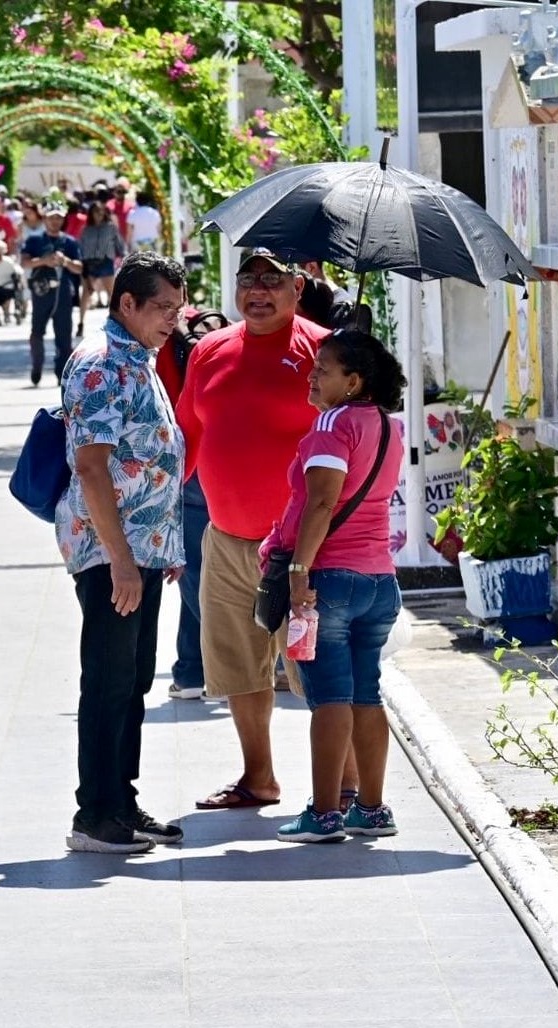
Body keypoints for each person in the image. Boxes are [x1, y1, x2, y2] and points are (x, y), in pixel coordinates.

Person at [177, 248, 358, 811]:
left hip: (303, 547)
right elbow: (187, 436)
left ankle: (349, 788)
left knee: (320, 669)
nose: (258, 289)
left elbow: (353, 438)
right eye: (249, 278)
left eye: (272, 279)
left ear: (297, 288)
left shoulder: (323, 353)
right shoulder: (209, 349)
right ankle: (258, 778)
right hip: (226, 538)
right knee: (238, 664)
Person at [58, 252, 188, 854]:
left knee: (132, 680)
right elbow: (91, 467)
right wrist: (121, 560)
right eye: (162, 307)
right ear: (126, 304)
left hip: (145, 549)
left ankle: (122, 800)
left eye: (177, 308)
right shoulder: (100, 362)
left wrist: (164, 547)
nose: (173, 319)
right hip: (114, 554)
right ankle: (95, 812)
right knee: (108, 680)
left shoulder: (139, 359)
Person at [271, 330, 405, 842]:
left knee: (329, 697)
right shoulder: (387, 426)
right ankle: (371, 809)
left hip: (330, 578)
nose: (312, 374)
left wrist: (299, 571)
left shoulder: (333, 422)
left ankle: (325, 813)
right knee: (366, 694)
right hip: (379, 579)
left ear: (353, 381)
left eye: (323, 368)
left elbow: (322, 503)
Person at [155, 305, 229, 701]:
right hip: (219, 458)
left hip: (183, 462)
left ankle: (231, 659)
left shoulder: (160, 337)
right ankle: (190, 671)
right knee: (197, 573)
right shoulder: (223, 336)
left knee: (195, 574)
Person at [21, 201, 83, 386]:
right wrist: (43, 261)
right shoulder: (34, 240)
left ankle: (62, 373)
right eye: (51, 218)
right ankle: (37, 366)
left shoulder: (69, 242)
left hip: (63, 291)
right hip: (42, 291)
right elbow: (25, 262)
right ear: (45, 219)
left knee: (64, 335)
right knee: (37, 331)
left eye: (58, 218)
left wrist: (65, 262)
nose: (55, 221)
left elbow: (79, 268)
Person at [78, 201, 127, 336]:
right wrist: (83, 265)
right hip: (90, 263)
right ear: (91, 214)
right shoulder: (86, 229)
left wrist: (123, 258)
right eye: (95, 212)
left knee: (112, 294)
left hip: (106, 261)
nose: (98, 215)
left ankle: (116, 323)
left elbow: (119, 244)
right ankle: (80, 323)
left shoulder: (110, 227)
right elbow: (80, 247)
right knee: (86, 294)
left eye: (101, 212)